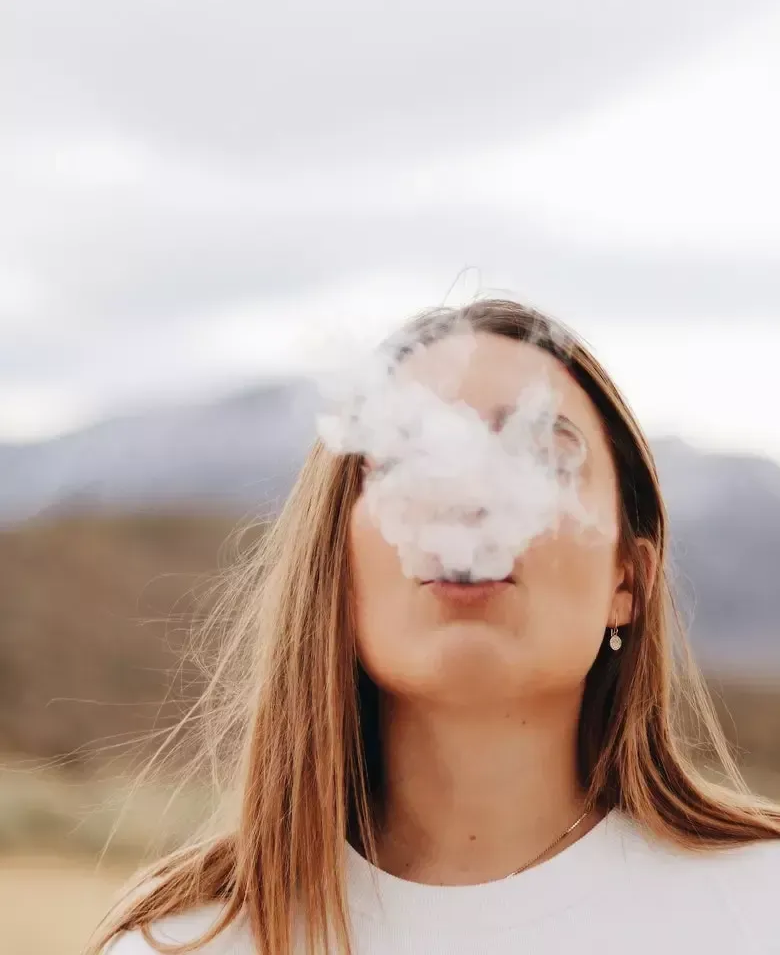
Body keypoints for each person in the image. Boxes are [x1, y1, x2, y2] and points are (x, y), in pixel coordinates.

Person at [90, 299, 780, 955]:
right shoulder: (190, 942)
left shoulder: (758, 906)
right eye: (411, 454)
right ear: (335, 563)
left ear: (627, 580)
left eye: (539, 451)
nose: (468, 495)